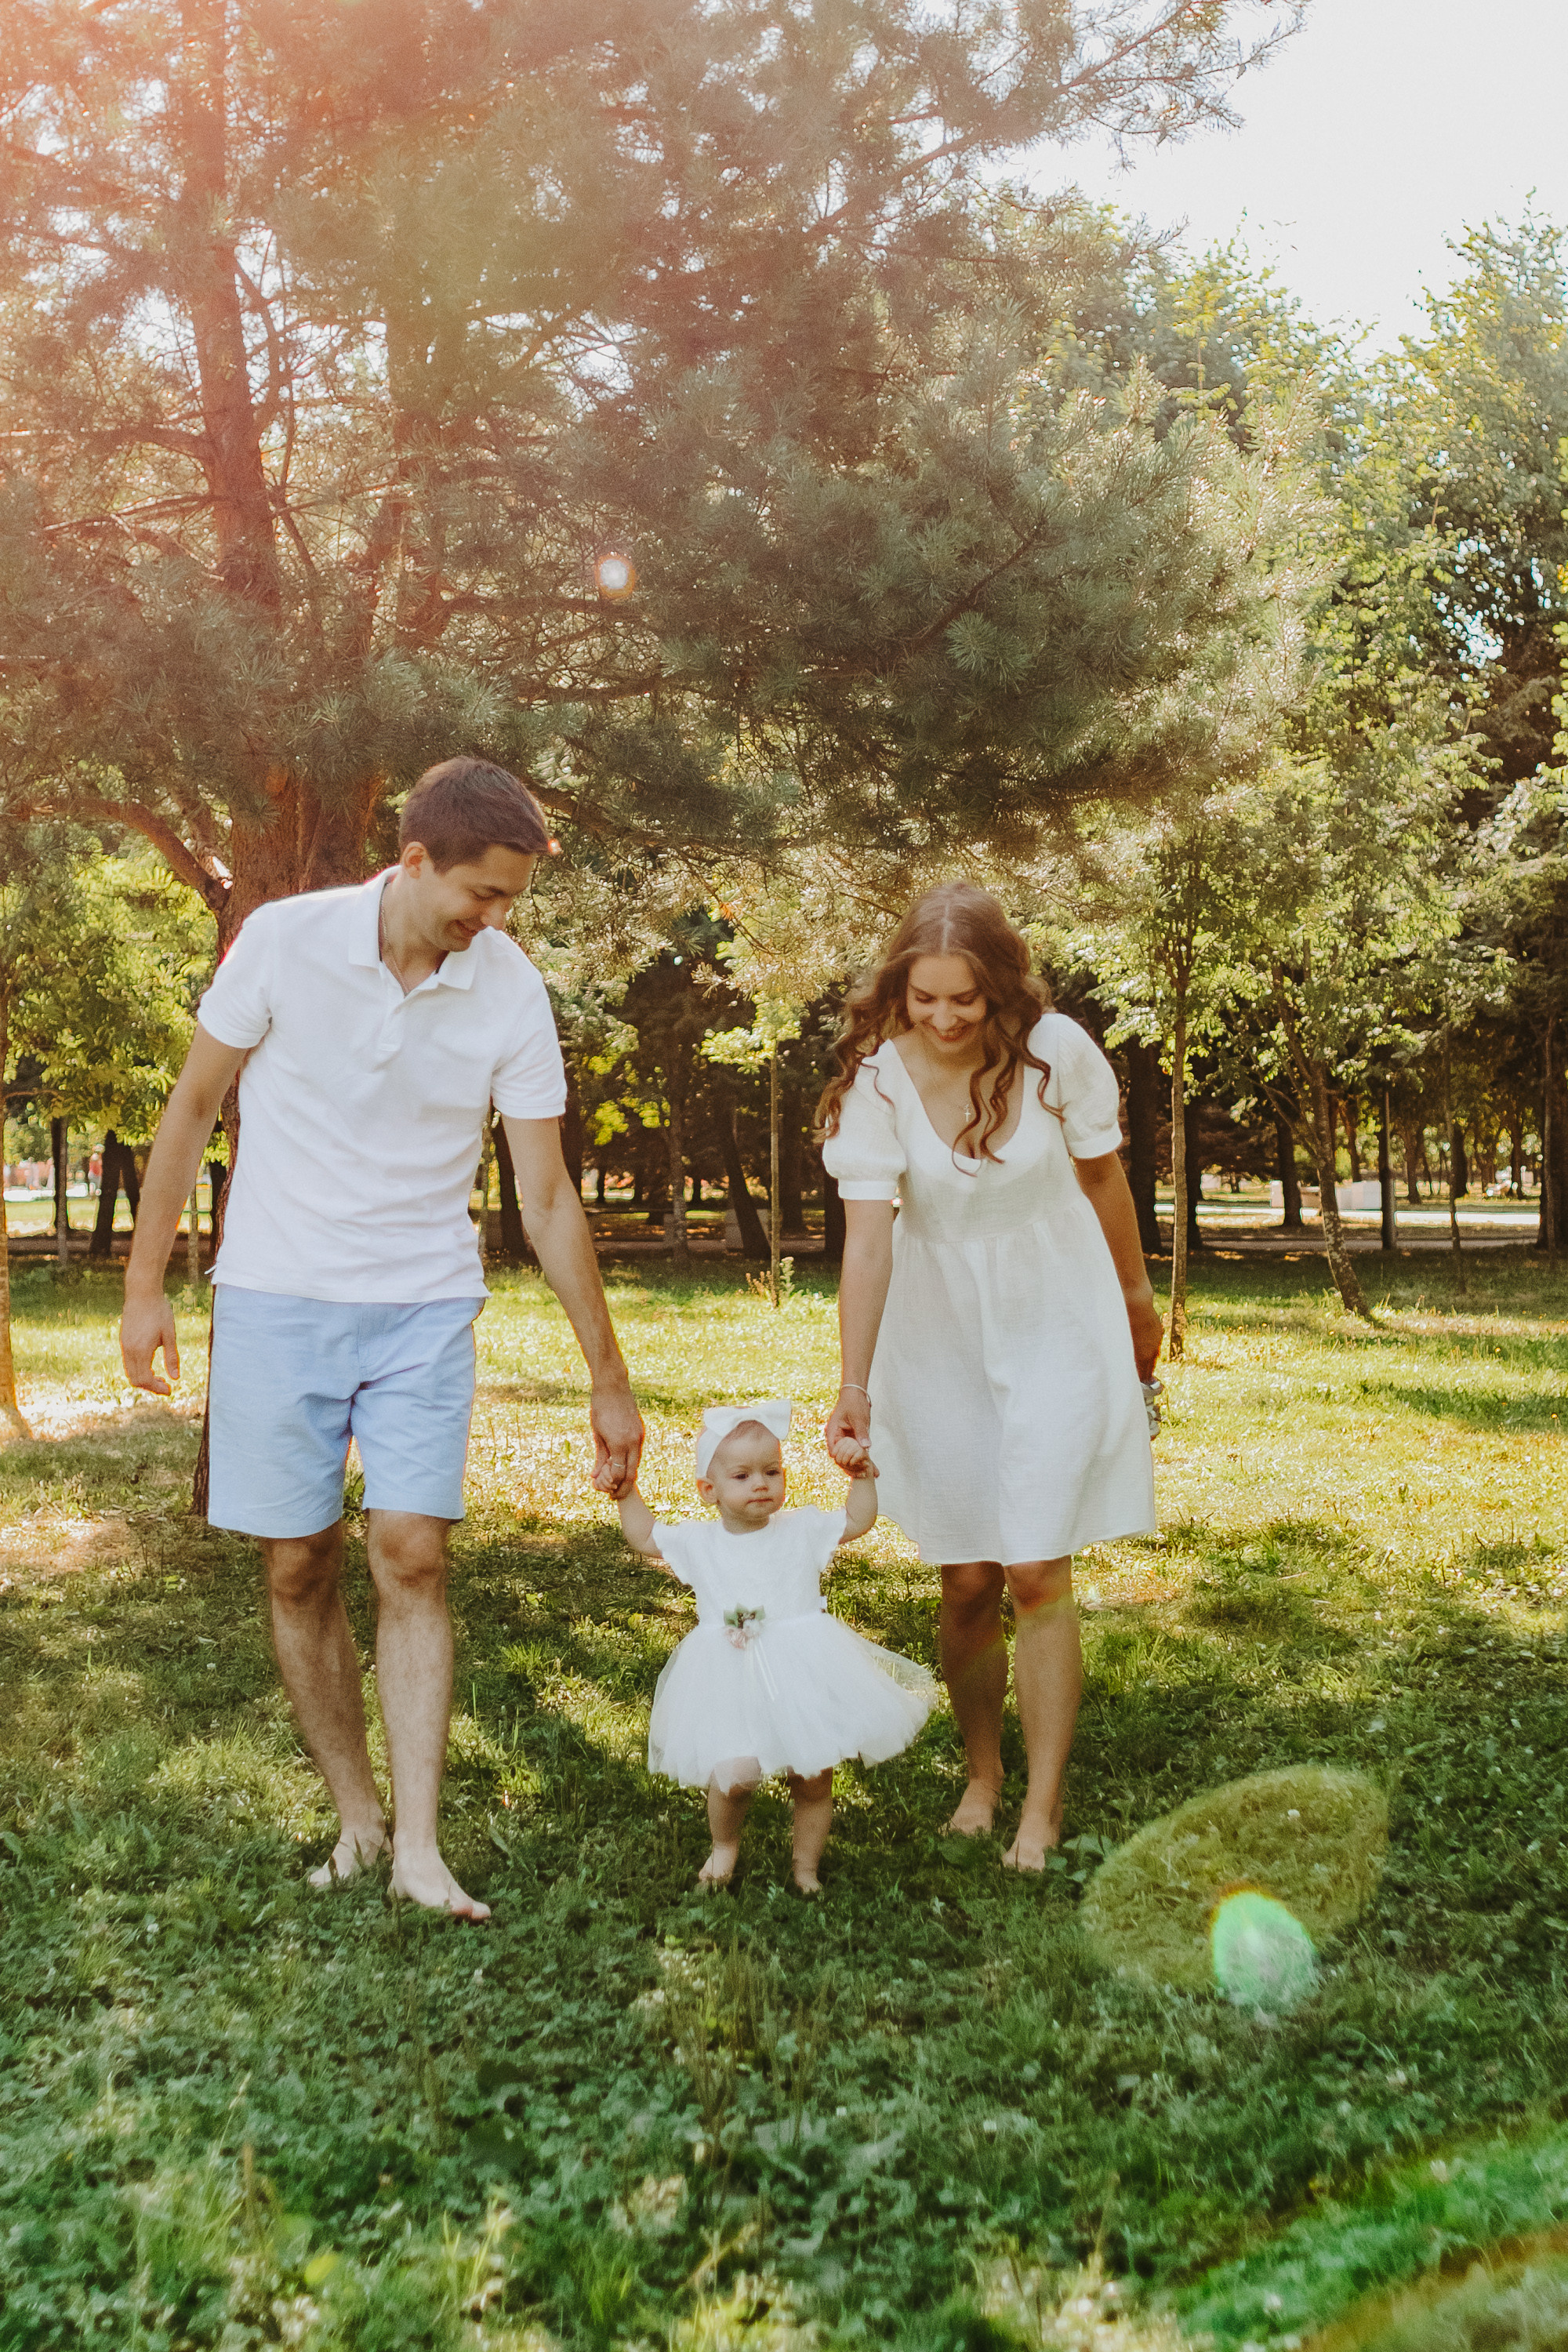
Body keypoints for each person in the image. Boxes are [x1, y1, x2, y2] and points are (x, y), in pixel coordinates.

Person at [119, 757, 644, 1919]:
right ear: (414, 861)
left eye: (512, 902)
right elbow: (194, 1106)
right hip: (275, 1298)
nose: (496, 921)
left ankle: (418, 1845)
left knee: (412, 1550)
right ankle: (356, 1817)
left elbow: (548, 1197)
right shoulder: (281, 940)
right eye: (484, 896)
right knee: (297, 1561)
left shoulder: (508, 990)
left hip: (423, 1303)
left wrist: (609, 1379)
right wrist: (146, 1283)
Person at [818, 881, 1163, 1871]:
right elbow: (870, 1245)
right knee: (967, 1578)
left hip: (1057, 1312)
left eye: (962, 999)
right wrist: (854, 1383)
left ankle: (1040, 1808)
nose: (943, 1017)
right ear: (899, 991)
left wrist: (1137, 1303)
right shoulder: (878, 1084)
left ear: (998, 988)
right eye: (923, 998)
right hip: (938, 1335)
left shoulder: (1058, 1055)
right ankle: (982, 1772)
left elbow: (1103, 1181)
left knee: (1034, 1567)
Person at [617, 1400, 935, 1893]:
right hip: (728, 1673)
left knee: (813, 1774)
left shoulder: (801, 1530)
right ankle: (725, 1847)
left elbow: (858, 1521)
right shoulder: (700, 1542)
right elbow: (644, 1537)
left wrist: (862, 1477)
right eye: (742, 1476)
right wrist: (626, 1492)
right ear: (709, 1490)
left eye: (772, 1471)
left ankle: (805, 1867)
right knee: (735, 1774)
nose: (761, 1484)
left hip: (803, 1670)